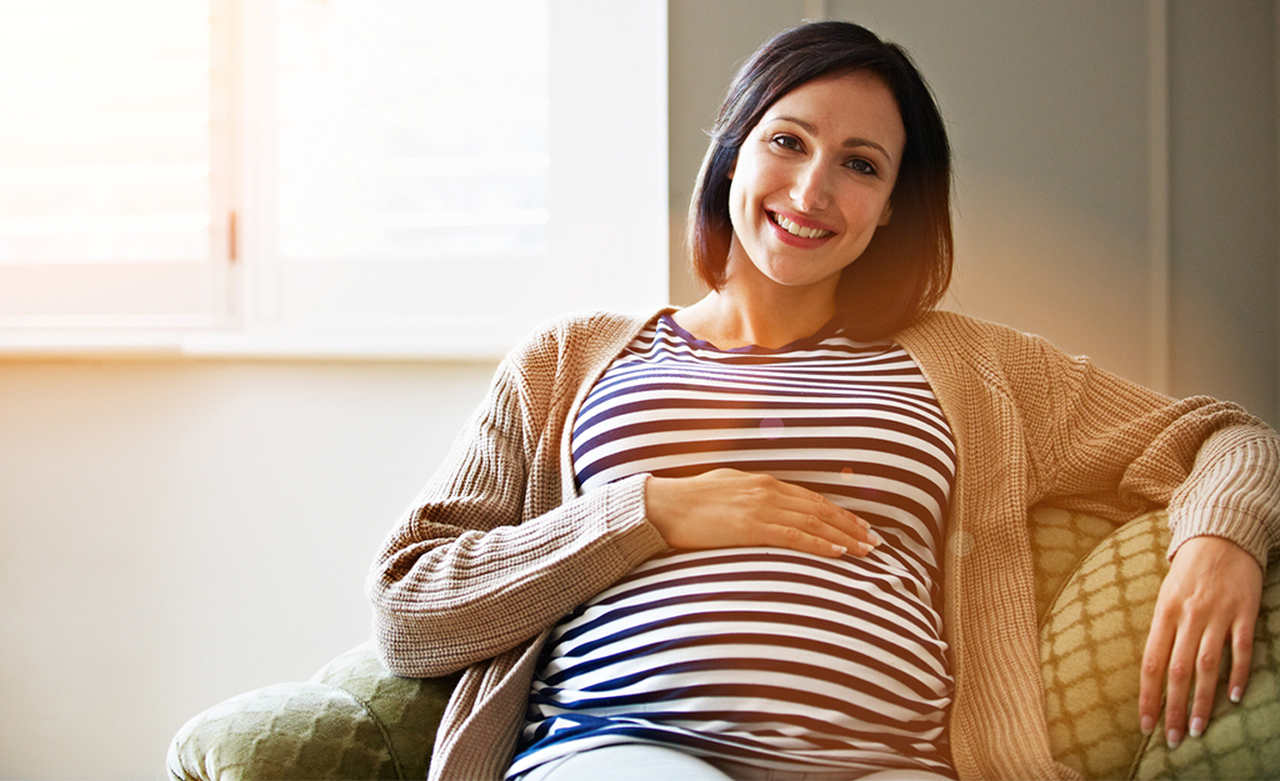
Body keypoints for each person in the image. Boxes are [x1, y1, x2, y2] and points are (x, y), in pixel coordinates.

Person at [366, 21, 1279, 781]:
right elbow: (409, 607)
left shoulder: (973, 367)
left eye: (861, 164)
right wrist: (652, 509)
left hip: (889, 763)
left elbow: (1221, 436)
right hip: (621, 749)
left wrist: (1219, 540)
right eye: (788, 141)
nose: (813, 190)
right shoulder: (569, 360)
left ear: (891, 208)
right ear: (732, 150)